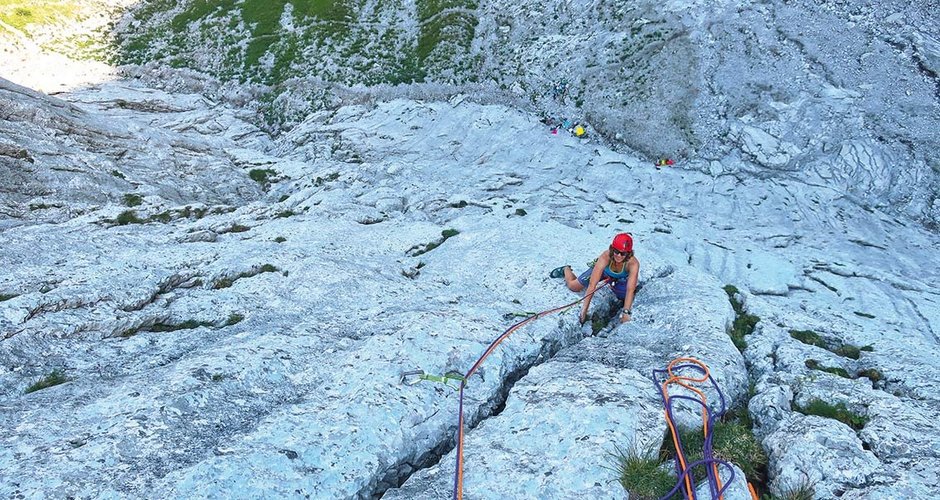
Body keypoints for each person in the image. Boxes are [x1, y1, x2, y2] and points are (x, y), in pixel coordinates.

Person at [550, 233, 639, 324]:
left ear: (628, 254)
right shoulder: (606, 256)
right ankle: (566, 269)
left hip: (620, 278)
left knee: (622, 296)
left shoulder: (633, 263)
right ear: (612, 249)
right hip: (604, 272)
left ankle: (613, 283)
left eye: (623, 253)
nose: (619, 256)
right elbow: (592, 284)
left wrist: (626, 312)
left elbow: (630, 289)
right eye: (616, 251)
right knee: (574, 286)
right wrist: (584, 310)